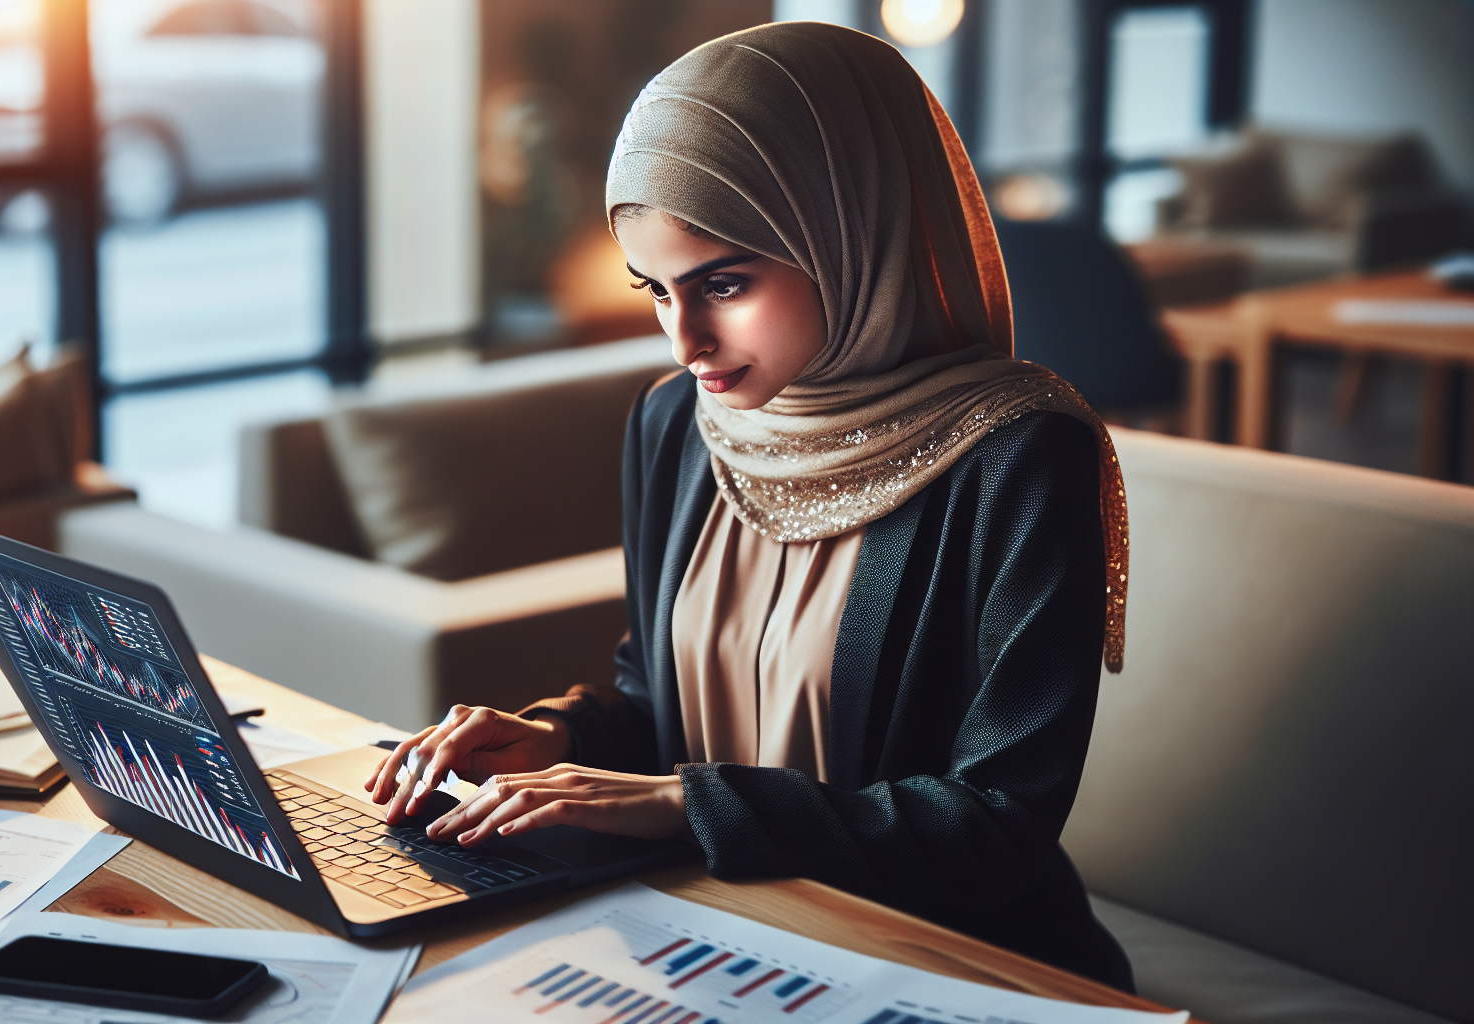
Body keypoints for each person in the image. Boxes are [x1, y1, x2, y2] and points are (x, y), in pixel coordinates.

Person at [366, 21, 1134, 989]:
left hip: (942, 960)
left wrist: (686, 807)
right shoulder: (676, 427)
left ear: (853, 229)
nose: (684, 339)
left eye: (722, 283)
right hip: (713, 933)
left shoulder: (1020, 455)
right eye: (654, 290)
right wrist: (556, 737)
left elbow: (995, 824)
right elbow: (664, 704)